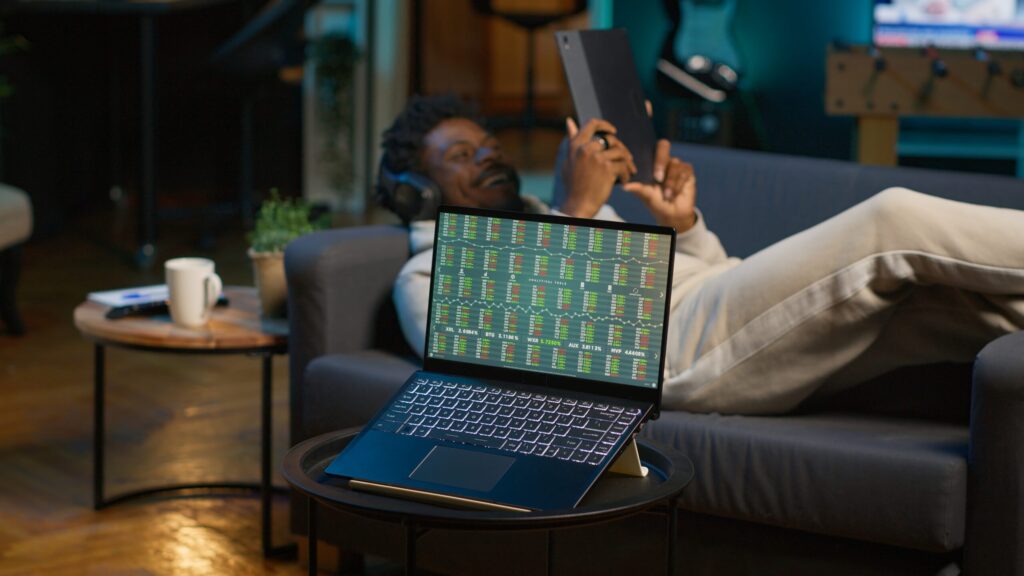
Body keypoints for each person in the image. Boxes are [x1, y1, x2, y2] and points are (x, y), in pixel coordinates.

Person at [382, 94, 1024, 415]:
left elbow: (707, 274)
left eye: (488, 144)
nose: (489, 156)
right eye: (461, 157)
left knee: (964, 306)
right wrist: (575, 210)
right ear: (419, 189)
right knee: (892, 221)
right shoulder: (427, 274)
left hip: (720, 310)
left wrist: (683, 227)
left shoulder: (548, 220)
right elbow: (531, 361)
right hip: (676, 354)